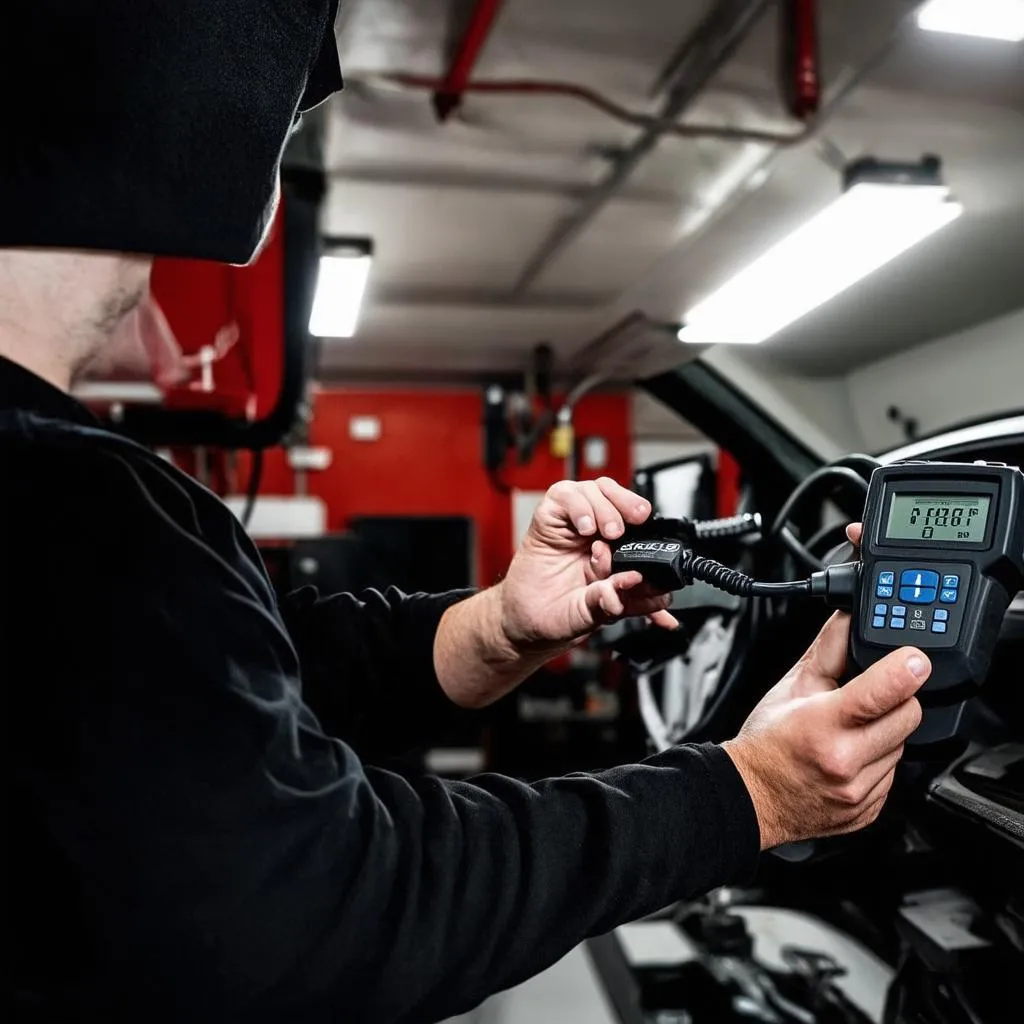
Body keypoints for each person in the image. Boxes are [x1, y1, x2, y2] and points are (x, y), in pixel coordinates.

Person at [1, 3, 930, 1022]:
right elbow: (327, 906)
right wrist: (744, 794)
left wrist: (498, 623)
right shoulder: (71, 510)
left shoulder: (62, 514)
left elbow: (259, 674)